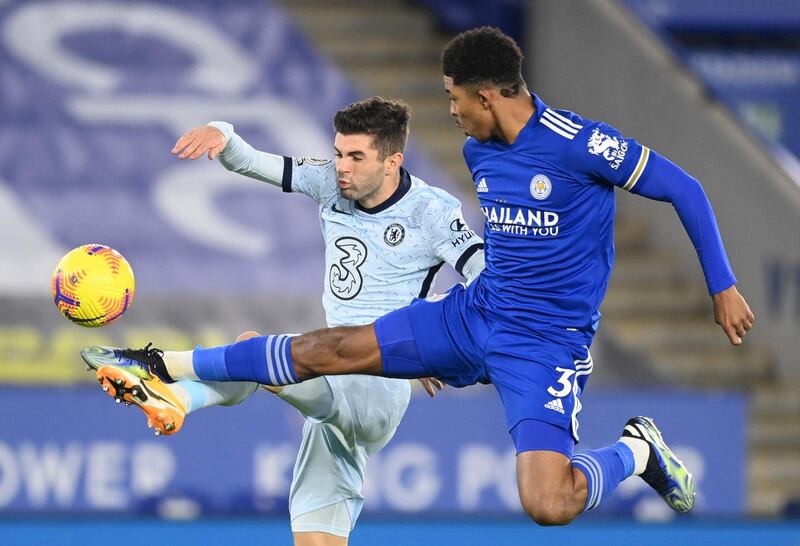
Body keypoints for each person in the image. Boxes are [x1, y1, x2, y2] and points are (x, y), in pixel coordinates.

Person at [83, 28, 755, 525]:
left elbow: (686, 189)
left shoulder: (581, 145)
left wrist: (720, 285)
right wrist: (438, 345)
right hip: (473, 315)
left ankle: (638, 452)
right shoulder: (477, 149)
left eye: (455, 98)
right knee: (329, 348)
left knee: (549, 504)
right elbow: (495, 258)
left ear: (486, 96)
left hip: (543, 344)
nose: (452, 111)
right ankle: (155, 362)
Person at [83, 97, 484, 544]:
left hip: (375, 383)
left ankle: (159, 366)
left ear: (393, 161)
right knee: (314, 535)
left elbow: (487, 279)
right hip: (329, 379)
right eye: (338, 153)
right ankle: (178, 401)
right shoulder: (330, 183)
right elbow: (253, 162)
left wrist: (429, 333)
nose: (341, 168)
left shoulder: (432, 211)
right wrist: (223, 132)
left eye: (356, 157)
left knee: (258, 353)